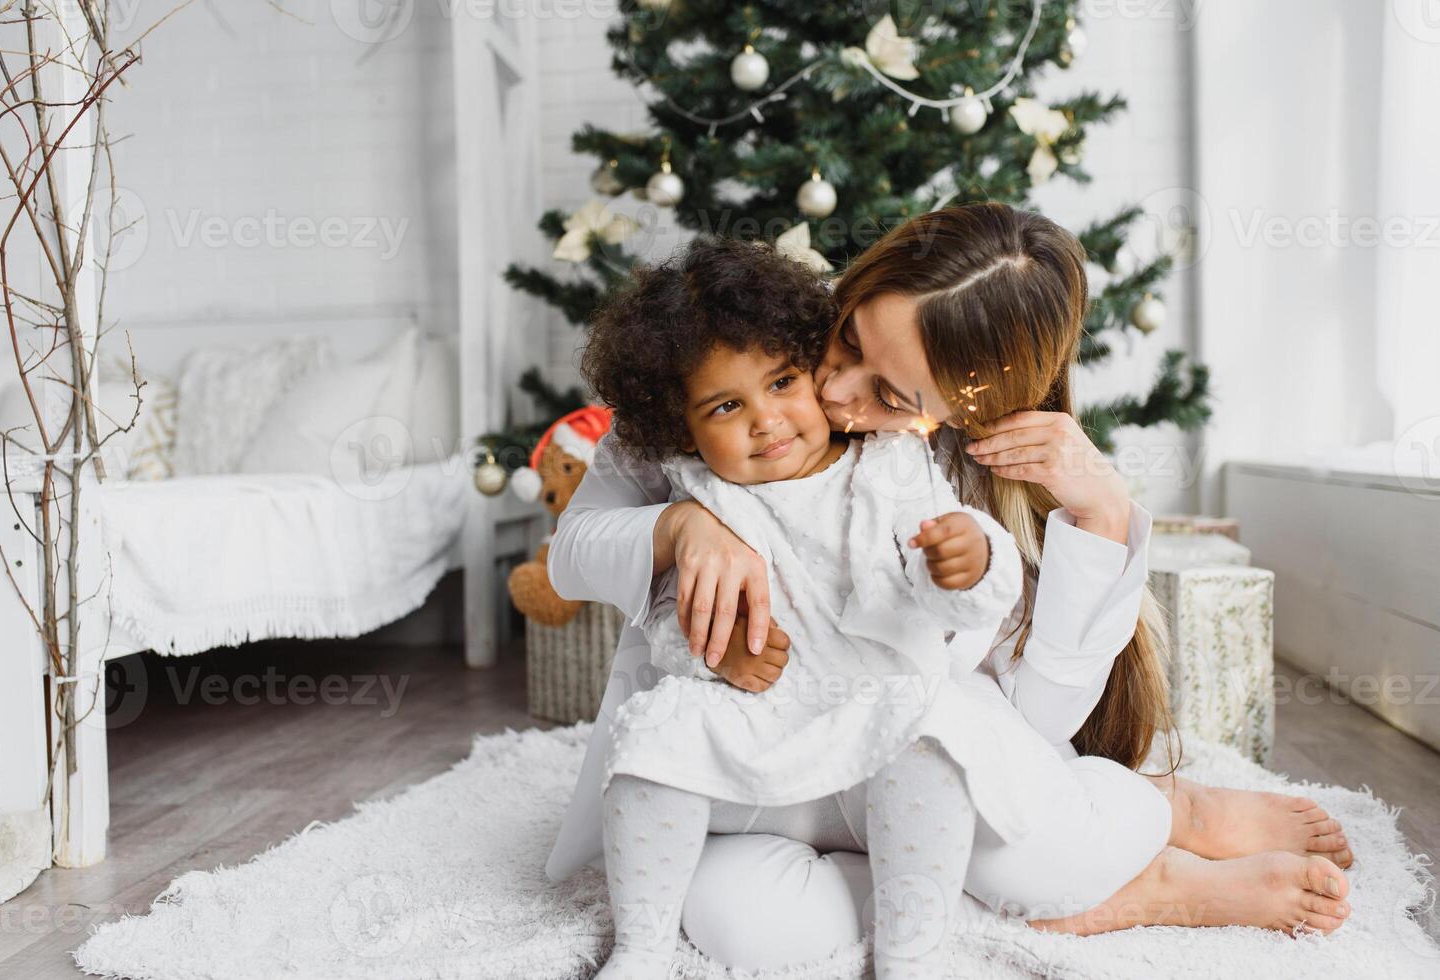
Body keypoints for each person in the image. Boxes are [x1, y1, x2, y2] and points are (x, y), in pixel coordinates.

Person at [546, 204, 1353, 972]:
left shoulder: (957, 471)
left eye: (891, 396)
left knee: (1031, 859)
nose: (831, 394)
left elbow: (1035, 719)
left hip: (914, 755)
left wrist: (1101, 511)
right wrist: (681, 527)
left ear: (966, 411)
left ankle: (1166, 842)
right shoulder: (745, 357)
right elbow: (572, 553)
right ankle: (1068, 896)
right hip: (773, 761)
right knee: (738, 925)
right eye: (850, 338)